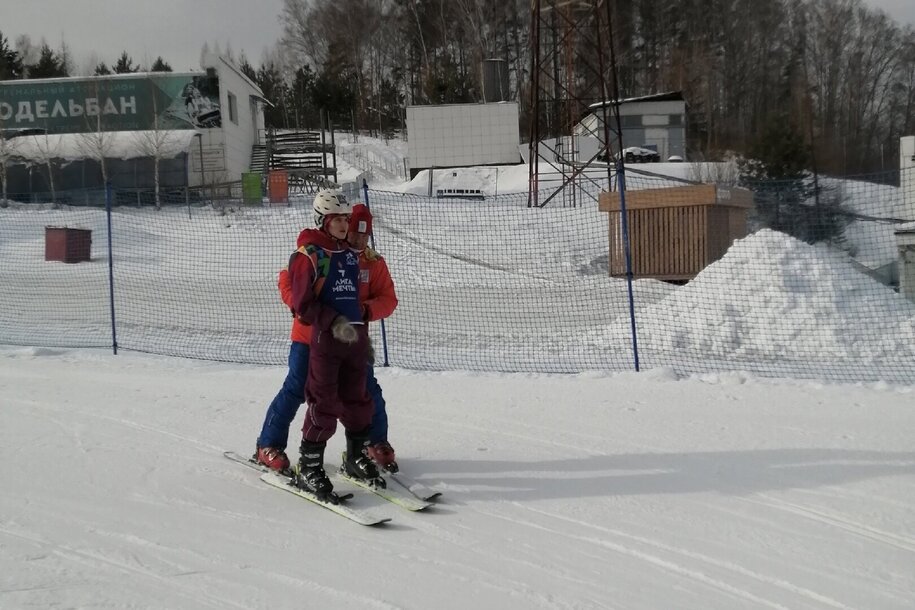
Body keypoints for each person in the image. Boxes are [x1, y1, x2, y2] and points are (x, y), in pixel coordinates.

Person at [254, 191, 398, 488]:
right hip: (310, 337)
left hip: (350, 341)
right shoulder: (314, 254)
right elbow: (291, 288)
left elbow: (389, 299)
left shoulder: (368, 261)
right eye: (347, 225)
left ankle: (373, 444)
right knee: (297, 390)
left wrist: (365, 311)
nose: (358, 239)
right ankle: (269, 444)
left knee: (364, 393)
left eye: (363, 234)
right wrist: (315, 314)